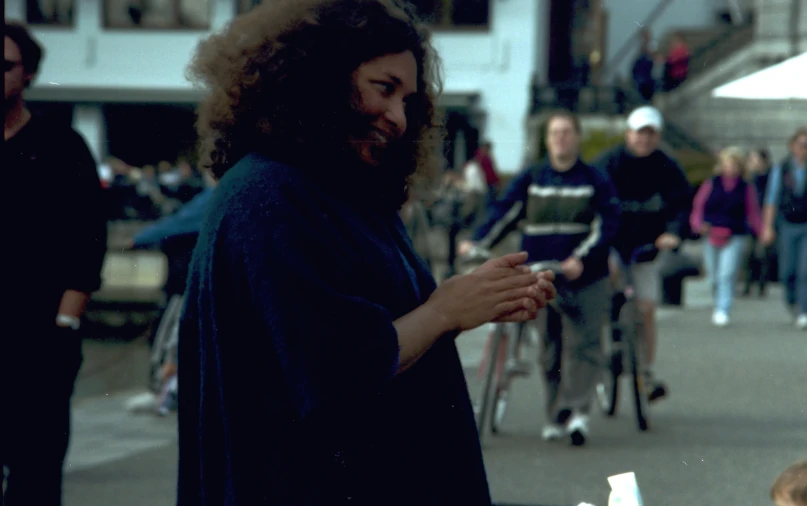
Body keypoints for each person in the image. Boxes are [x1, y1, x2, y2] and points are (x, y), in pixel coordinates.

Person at [176, 1, 557, 505]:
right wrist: (446, 310)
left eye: (408, 100)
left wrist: (475, 299)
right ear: (318, 76)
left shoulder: (338, 192)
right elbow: (338, 370)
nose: (399, 117)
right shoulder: (270, 196)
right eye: (385, 88)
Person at [458, 110, 620, 445]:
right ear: (547, 140)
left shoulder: (594, 179)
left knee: (585, 344)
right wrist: (477, 242)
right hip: (542, 275)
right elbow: (505, 211)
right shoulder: (532, 177)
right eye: (554, 133)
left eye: (566, 132)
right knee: (549, 347)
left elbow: (607, 224)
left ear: (577, 137)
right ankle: (554, 414)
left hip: (585, 276)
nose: (560, 138)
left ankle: (578, 412)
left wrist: (582, 258)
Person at [3, 22, 108, 506]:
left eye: (5, 66)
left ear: (28, 74)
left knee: (37, 476)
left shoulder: (62, 147)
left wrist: (65, 320)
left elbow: (87, 240)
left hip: (38, 339)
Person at [593, 105, 691, 400]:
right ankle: (602, 352)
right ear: (628, 134)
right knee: (605, 294)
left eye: (650, 135)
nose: (644, 140)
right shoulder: (607, 163)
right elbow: (591, 200)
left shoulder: (666, 166)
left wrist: (673, 232)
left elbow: (681, 203)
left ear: (658, 136)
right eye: (639, 133)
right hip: (610, 242)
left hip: (646, 245)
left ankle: (646, 372)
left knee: (647, 307)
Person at [690, 147, 762, 326]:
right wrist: (697, 224)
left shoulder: (746, 187)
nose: (731, 168)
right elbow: (699, 205)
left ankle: (723, 308)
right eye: (728, 164)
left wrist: (761, 231)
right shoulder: (711, 183)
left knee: (726, 273)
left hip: (734, 234)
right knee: (713, 275)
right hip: (711, 232)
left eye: (734, 164)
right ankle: (718, 302)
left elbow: (752, 211)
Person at [761, 128, 807, 330]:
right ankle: (792, 302)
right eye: (802, 145)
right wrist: (767, 227)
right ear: (793, 146)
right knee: (787, 270)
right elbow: (771, 199)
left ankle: (804, 309)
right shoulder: (782, 168)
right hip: (787, 224)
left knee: (805, 270)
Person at [743, 148, 775, 297]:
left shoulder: (771, 177)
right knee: (749, 254)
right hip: (749, 222)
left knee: (763, 255)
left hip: (765, 220)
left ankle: (762, 285)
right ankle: (748, 285)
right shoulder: (749, 178)